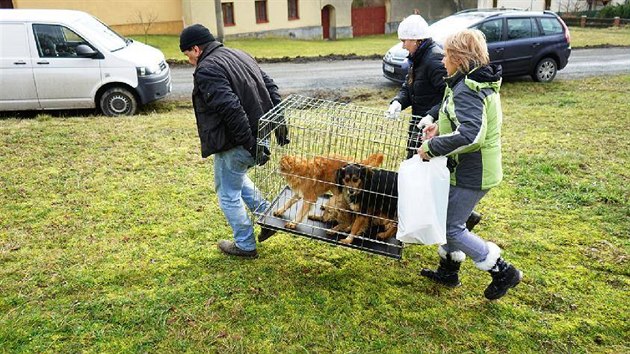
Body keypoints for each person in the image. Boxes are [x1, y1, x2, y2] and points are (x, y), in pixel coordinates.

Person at [418, 29, 523, 300]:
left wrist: (431, 147)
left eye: (447, 56)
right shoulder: (468, 81)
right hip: (468, 169)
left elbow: (471, 136)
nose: (442, 61)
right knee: (447, 218)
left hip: (474, 172)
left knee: (451, 225)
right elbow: (461, 123)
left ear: (459, 58)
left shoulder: (468, 88)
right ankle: (449, 270)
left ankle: (503, 270)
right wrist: (438, 131)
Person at [179, 24, 285, 258]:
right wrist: (278, 125)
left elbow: (231, 109)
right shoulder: (239, 54)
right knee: (236, 177)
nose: (188, 60)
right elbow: (270, 86)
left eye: (187, 54)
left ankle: (245, 245)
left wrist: (249, 144)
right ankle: (267, 215)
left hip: (239, 141)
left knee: (227, 193)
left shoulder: (207, 69)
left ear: (196, 49)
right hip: (259, 134)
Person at [386, 14, 482, 231]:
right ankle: (424, 217)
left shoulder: (433, 60)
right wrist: (398, 102)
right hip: (418, 123)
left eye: (405, 41)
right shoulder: (417, 59)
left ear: (417, 40)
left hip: (431, 129)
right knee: (418, 173)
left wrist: (432, 115)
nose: (402, 45)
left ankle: (462, 216)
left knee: (427, 176)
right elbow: (409, 87)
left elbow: (448, 96)